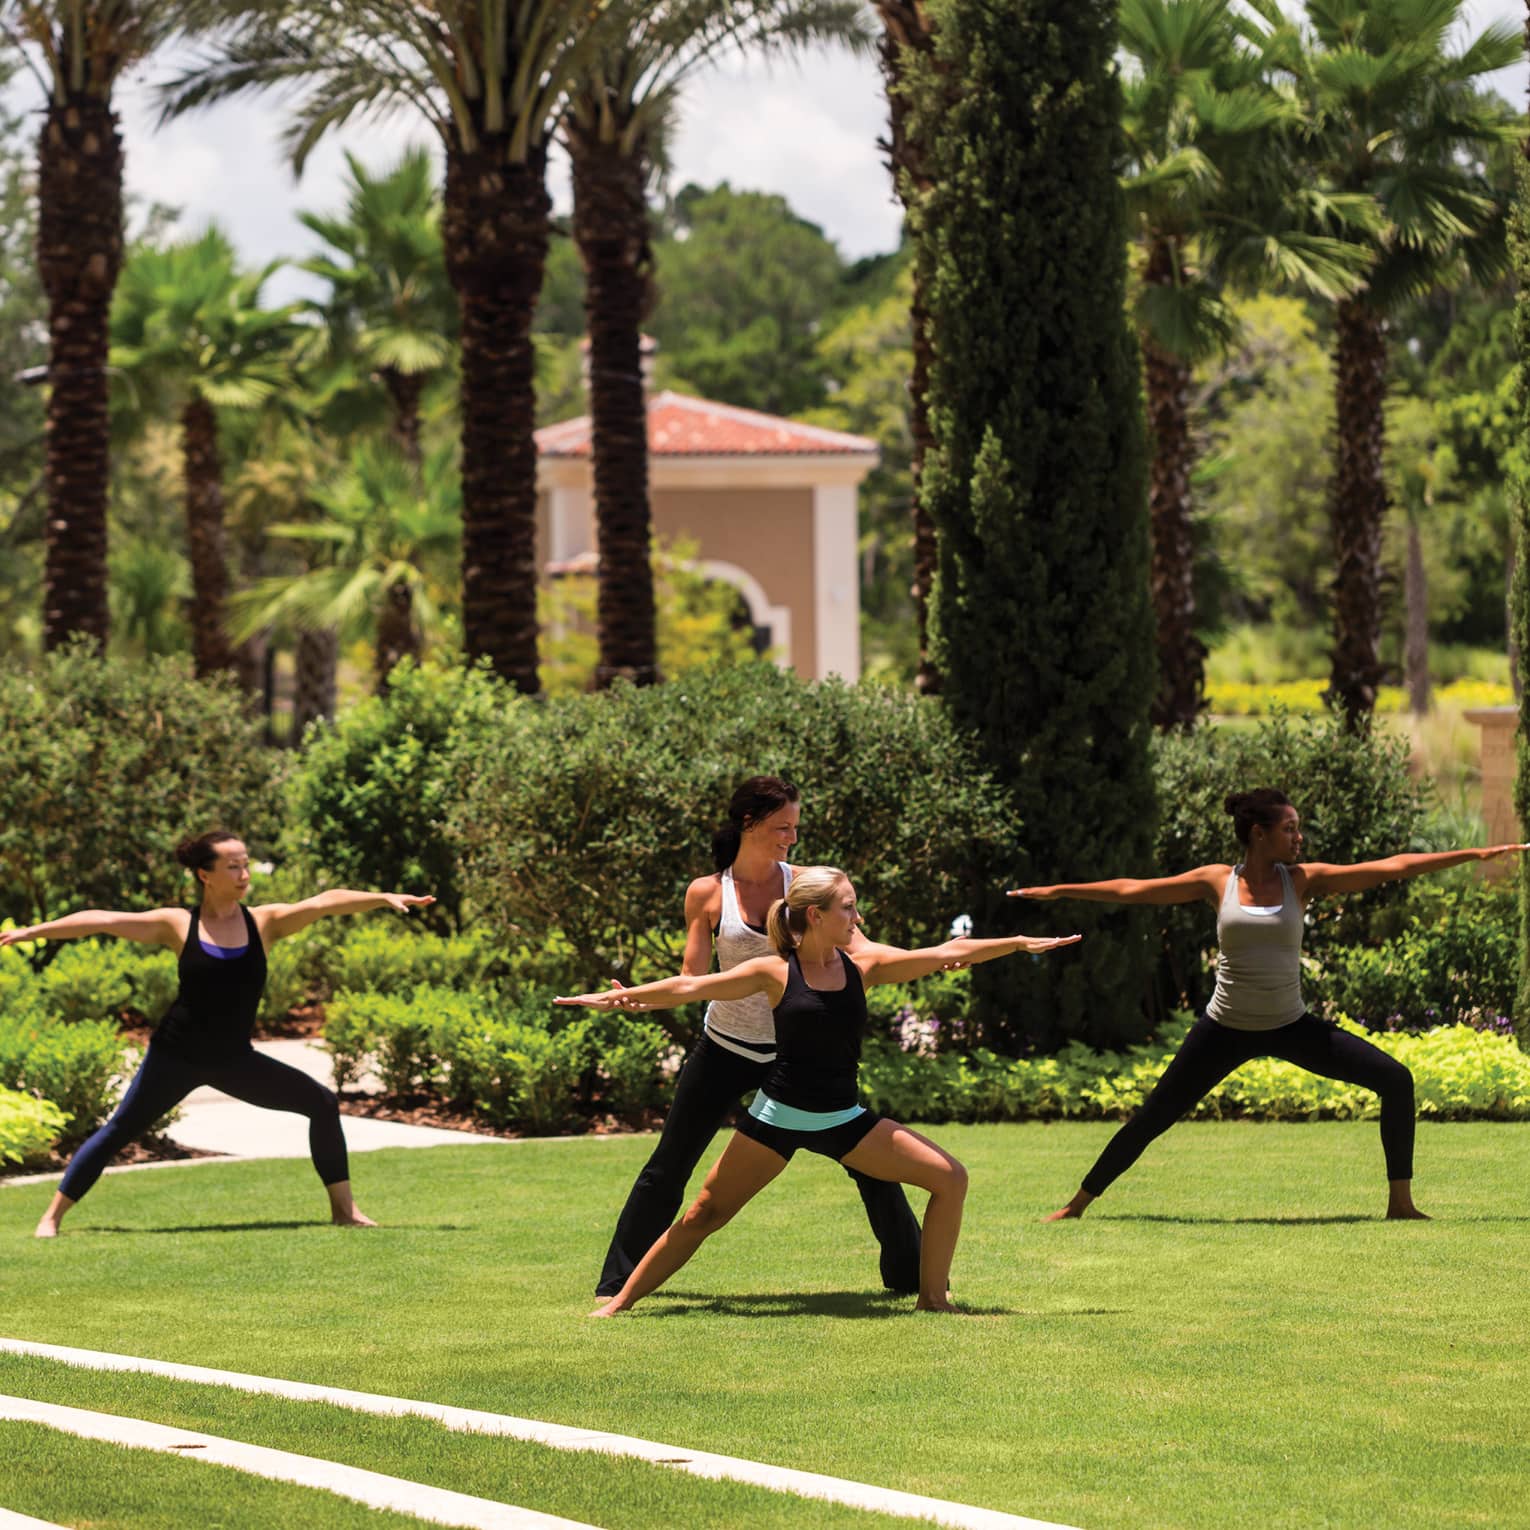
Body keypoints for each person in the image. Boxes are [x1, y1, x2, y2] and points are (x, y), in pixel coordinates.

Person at [560, 865, 1081, 1315]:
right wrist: (625, 1000)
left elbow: (947, 951)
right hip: (777, 1117)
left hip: (843, 1120)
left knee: (951, 1179)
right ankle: (619, 1303)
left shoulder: (866, 967)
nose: (857, 918)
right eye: (849, 908)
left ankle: (933, 1300)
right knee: (703, 1214)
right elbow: (691, 987)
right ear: (816, 915)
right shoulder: (773, 971)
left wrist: (1016, 944)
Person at [1013, 788, 1528, 1223]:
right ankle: (1076, 1207)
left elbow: (1391, 867)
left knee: (1395, 1079)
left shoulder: (1302, 880)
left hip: (1289, 1024)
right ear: (1259, 833)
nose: (1298, 838)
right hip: (1224, 1027)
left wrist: (1474, 855)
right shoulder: (1218, 881)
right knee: (1154, 1116)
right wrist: (1059, 890)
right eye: (1290, 829)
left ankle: (1401, 1204)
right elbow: (1133, 889)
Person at [2, 829, 434, 1238]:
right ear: (204, 874)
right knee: (119, 1130)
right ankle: (52, 1217)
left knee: (321, 1103)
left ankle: (346, 1213)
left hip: (233, 1060)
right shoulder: (178, 924)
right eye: (233, 866)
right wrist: (32, 932)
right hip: (175, 1055)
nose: (244, 874)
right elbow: (104, 920)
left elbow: (324, 902)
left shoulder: (265, 922)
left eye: (246, 865)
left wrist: (381, 897)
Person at [596, 776, 926, 1298]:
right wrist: (636, 995)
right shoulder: (708, 893)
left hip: (795, 1061)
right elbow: (692, 979)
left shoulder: (804, 888)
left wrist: (942, 955)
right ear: (748, 823)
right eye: (781, 826)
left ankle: (911, 1280)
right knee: (670, 1163)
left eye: (795, 827)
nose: (790, 837)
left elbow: (861, 947)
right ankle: (616, 1285)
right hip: (725, 1048)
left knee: (873, 1167)